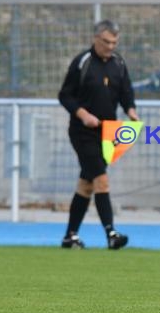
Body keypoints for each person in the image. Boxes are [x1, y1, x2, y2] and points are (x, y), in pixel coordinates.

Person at [58, 19, 139, 250]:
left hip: (108, 133)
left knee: (86, 184)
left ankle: (70, 236)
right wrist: (82, 114)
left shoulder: (119, 63)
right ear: (96, 38)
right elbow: (65, 96)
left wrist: (131, 110)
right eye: (106, 41)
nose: (111, 46)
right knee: (101, 180)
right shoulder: (82, 62)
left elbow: (126, 92)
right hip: (82, 133)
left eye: (114, 42)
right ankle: (111, 234)